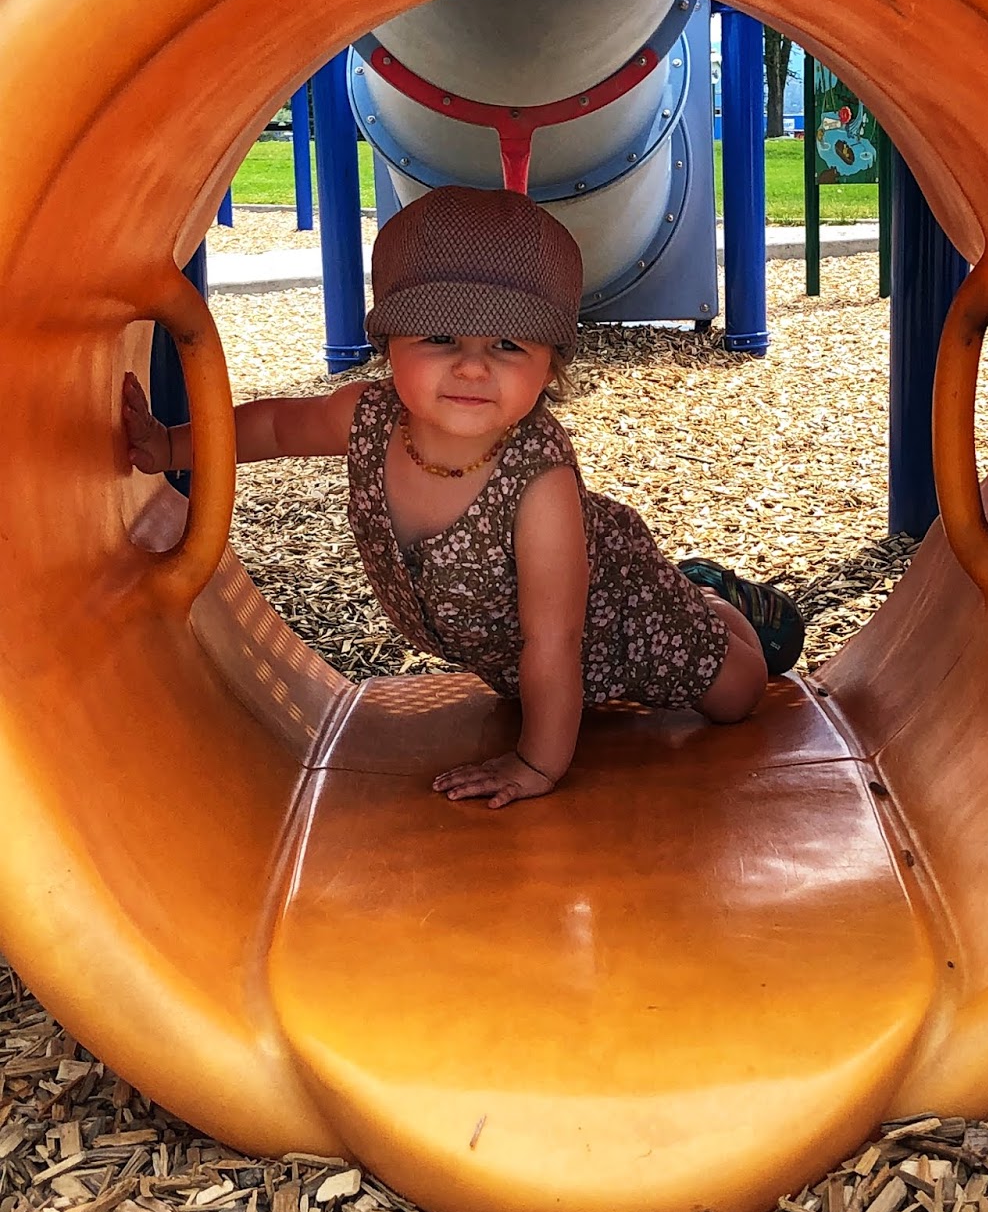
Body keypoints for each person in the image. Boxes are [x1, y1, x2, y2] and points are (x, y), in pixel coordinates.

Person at [124, 186, 805, 809]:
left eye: (507, 343)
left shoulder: (538, 480)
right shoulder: (368, 418)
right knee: (523, 689)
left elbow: (555, 639)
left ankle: (711, 598)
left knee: (738, 695)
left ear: (550, 362)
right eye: (440, 336)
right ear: (389, 341)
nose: (473, 366)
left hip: (617, 611)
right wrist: (168, 447)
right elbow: (274, 427)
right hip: (511, 650)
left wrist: (537, 764)